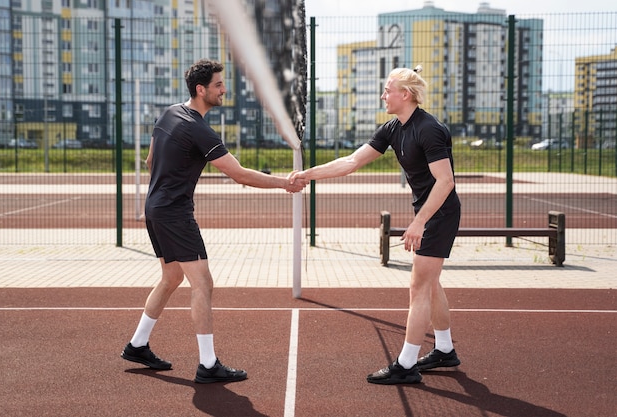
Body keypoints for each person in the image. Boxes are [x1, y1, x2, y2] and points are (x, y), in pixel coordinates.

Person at [121, 59, 307, 383]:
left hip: (155, 208)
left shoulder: (167, 114)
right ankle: (208, 365)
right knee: (203, 283)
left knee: (170, 277)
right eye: (219, 85)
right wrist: (284, 184)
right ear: (201, 89)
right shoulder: (198, 128)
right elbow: (239, 175)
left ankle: (137, 344)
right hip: (174, 213)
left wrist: (167, 187)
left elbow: (151, 160)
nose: (224, 90)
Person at [288, 65, 461, 385]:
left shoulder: (429, 129)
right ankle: (445, 350)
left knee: (419, 286)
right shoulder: (393, 128)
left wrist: (419, 221)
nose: (383, 96)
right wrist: (307, 175)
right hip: (428, 212)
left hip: (439, 213)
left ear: (405, 95)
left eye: (387, 91)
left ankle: (407, 364)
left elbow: (446, 181)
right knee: (430, 283)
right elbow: (351, 162)